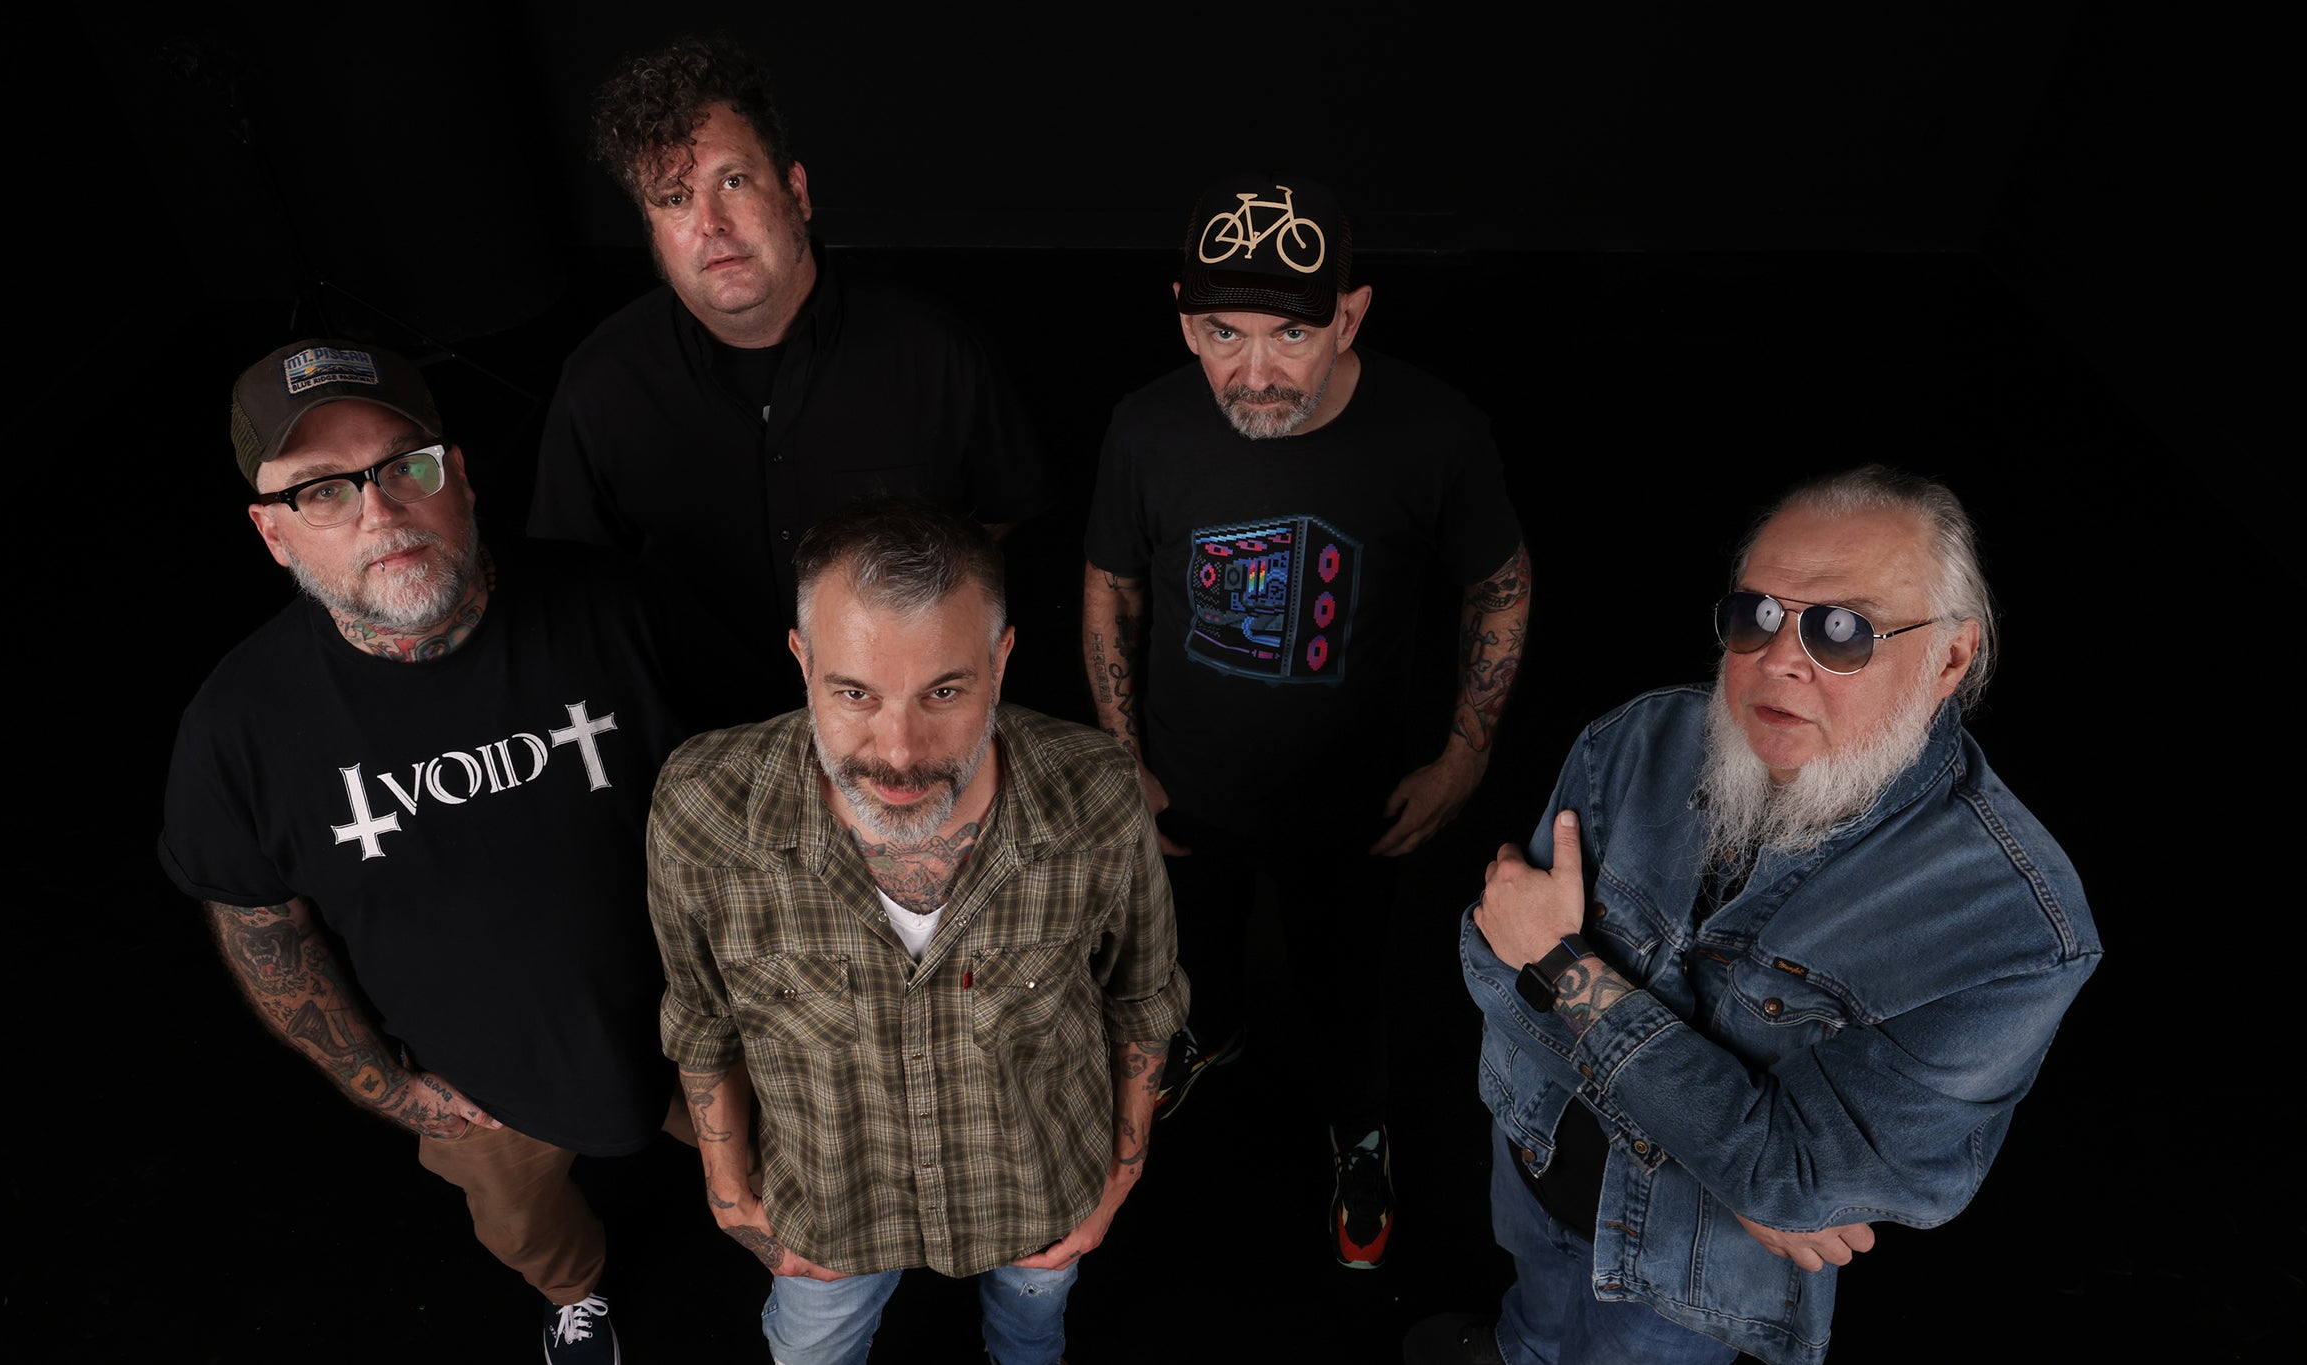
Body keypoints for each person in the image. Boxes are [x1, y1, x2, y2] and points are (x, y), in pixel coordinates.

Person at [1407, 465, 2101, 1365]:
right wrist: (1740, 1159)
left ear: (1950, 659)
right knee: (1535, 1306)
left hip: (1679, 1269)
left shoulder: (2014, 927)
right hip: (1534, 1157)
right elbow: (1488, 954)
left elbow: (1791, 1176)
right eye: (1758, 614)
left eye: (1842, 630)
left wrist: (1561, 963)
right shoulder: (1637, 741)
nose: (1778, 658)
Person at [159, 339, 691, 1365]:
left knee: (778, 1181)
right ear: (272, 532)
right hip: (483, 1095)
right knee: (525, 1229)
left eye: (405, 466)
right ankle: (575, 1292)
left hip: (699, 1031)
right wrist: (391, 1092)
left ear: (460, 477)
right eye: (322, 490)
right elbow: (266, 937)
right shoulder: (236, 731)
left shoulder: (617, 603)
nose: (380, 512)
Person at [1080, 170, 1531, 1270]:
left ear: (1350, 316)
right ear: (1184, 318)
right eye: (1222, 332)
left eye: (1291, 333)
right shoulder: (1145, 427)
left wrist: (1465, 758)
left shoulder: (1434, 431)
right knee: (1195, 952)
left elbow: (1501, 584)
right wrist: (1123, 756)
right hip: (1187, 789)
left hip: (1356, 805)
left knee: (1347, 987)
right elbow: (1111, 587)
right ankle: (1213, 1036)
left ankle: (1360, 1131)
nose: (1254, 370)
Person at [645, 497, 1185, 1365]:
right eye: (854, 692)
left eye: (944, 691)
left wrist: (1118, 1177)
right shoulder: (702, 806)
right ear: (803, 660)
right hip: (827, 1216)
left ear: (1000, 661)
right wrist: (728, 1187)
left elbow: (1144, 998)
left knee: (1030, 1341)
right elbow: (702, 1015)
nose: (898, 750)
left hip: (1040, 1199)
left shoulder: (1097, 795)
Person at [528, 31, 1055, 726]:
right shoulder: (601, 385)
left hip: (903, 732)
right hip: (696, 739)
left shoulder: (934, 353)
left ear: (796, 191)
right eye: (675, 199)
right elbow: (569, 589)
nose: (711, 224)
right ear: (652, 234)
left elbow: (1005, 521)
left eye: (733, 181)